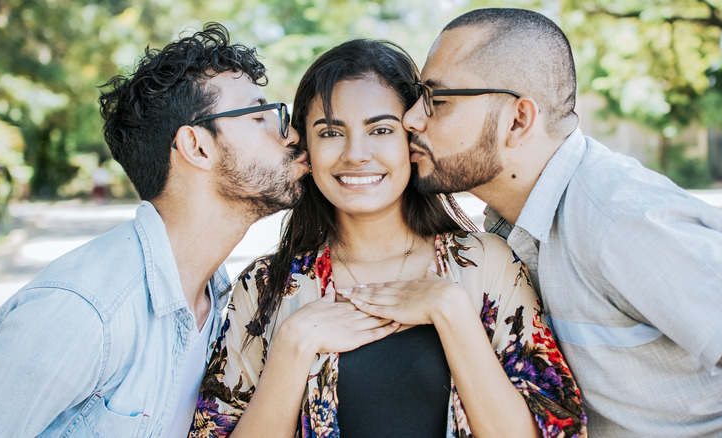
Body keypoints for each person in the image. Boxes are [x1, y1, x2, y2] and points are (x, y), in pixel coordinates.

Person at [190, 38, 586, 438]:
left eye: (380, 129)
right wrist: (292, 346)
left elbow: (556, 430)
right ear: (306, 146)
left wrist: (451, 312)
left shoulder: (486, 263)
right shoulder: (267, 287)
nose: (356, 154)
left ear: (412, 138)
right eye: (330, 132)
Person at [399, 7, 722, 437]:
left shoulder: (618, 220)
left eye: (437, 100)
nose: (411, 118)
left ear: (518, 120)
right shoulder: (506, 227)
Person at [0, 23, 307, 437]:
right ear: (197, 147)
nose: (290, 133)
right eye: (260, 116)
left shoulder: (220, 302)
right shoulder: (84, 311)